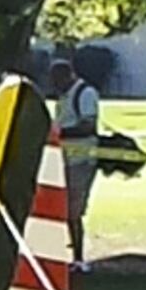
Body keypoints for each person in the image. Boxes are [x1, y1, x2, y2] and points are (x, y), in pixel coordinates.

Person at [48, 50, 105, 269]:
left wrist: (59, 134)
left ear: (66, 75)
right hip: (63, 159)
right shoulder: (63, 97)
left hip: (81, 160)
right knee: (59, 208)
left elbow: (87, 126)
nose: (53, 85)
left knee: (73, 211)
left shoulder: (85, 93)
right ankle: (65, 252)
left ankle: (79, 258)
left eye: (56, 80)